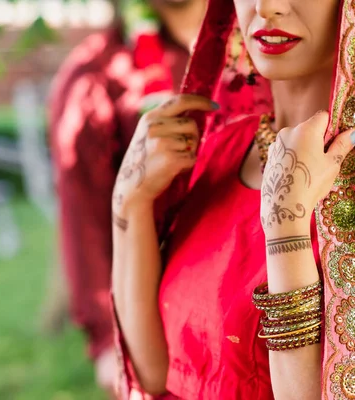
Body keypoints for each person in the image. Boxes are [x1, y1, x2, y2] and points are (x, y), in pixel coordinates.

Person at [112, 0, 355, 399]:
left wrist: (287, 228)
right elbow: (155, 375)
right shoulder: (221, 151)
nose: (267, 7)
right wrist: (129, 204)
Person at [48, 0, 270, 394]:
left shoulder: (268, 39)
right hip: (161, 326)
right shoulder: (92, 81)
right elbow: (85, 230)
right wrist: (112, 350)